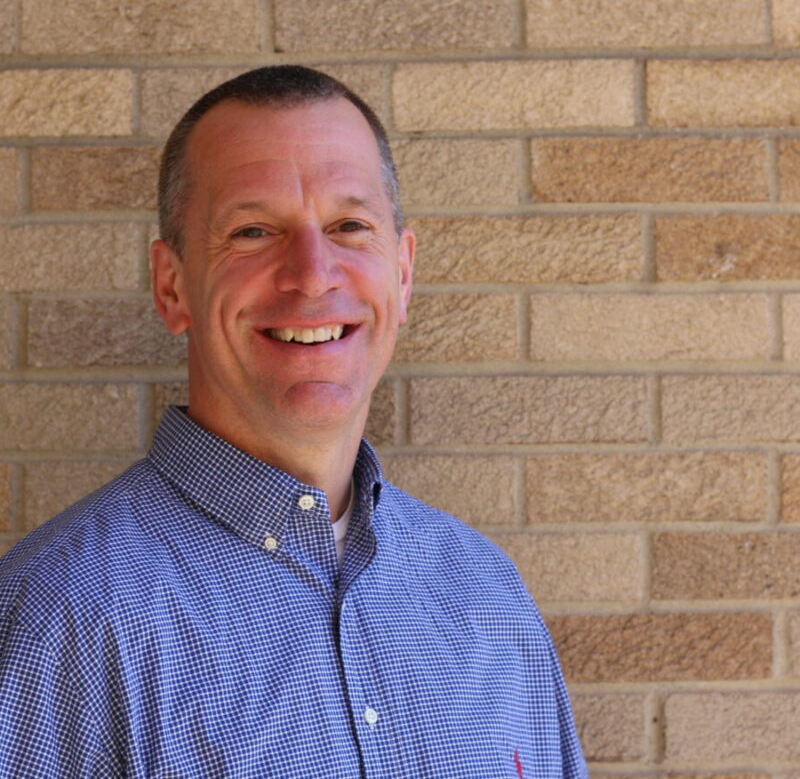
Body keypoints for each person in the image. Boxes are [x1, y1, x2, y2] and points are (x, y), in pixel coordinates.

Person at [0, 65, 587, 778]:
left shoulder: (487, 595)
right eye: (252, 231)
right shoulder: (59, 618)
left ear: (402, 275)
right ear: (172, 286)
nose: (312, 273)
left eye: (350, 226)